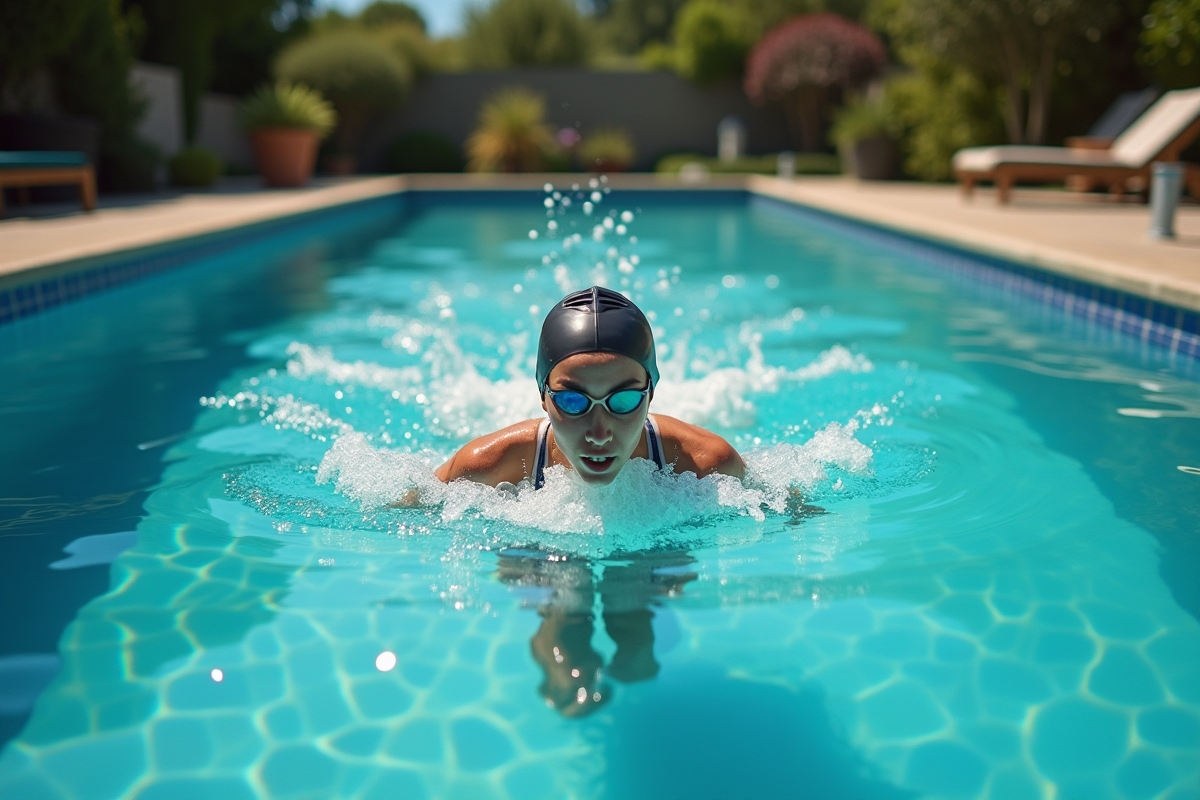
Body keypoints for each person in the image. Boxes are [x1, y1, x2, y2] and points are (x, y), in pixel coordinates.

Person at [435, 286, 744, 488]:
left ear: (651, 394)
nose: (599, 433)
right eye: (572, 401)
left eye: (623, 401)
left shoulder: (709, 467)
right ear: (543, 396)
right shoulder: (483, 469)